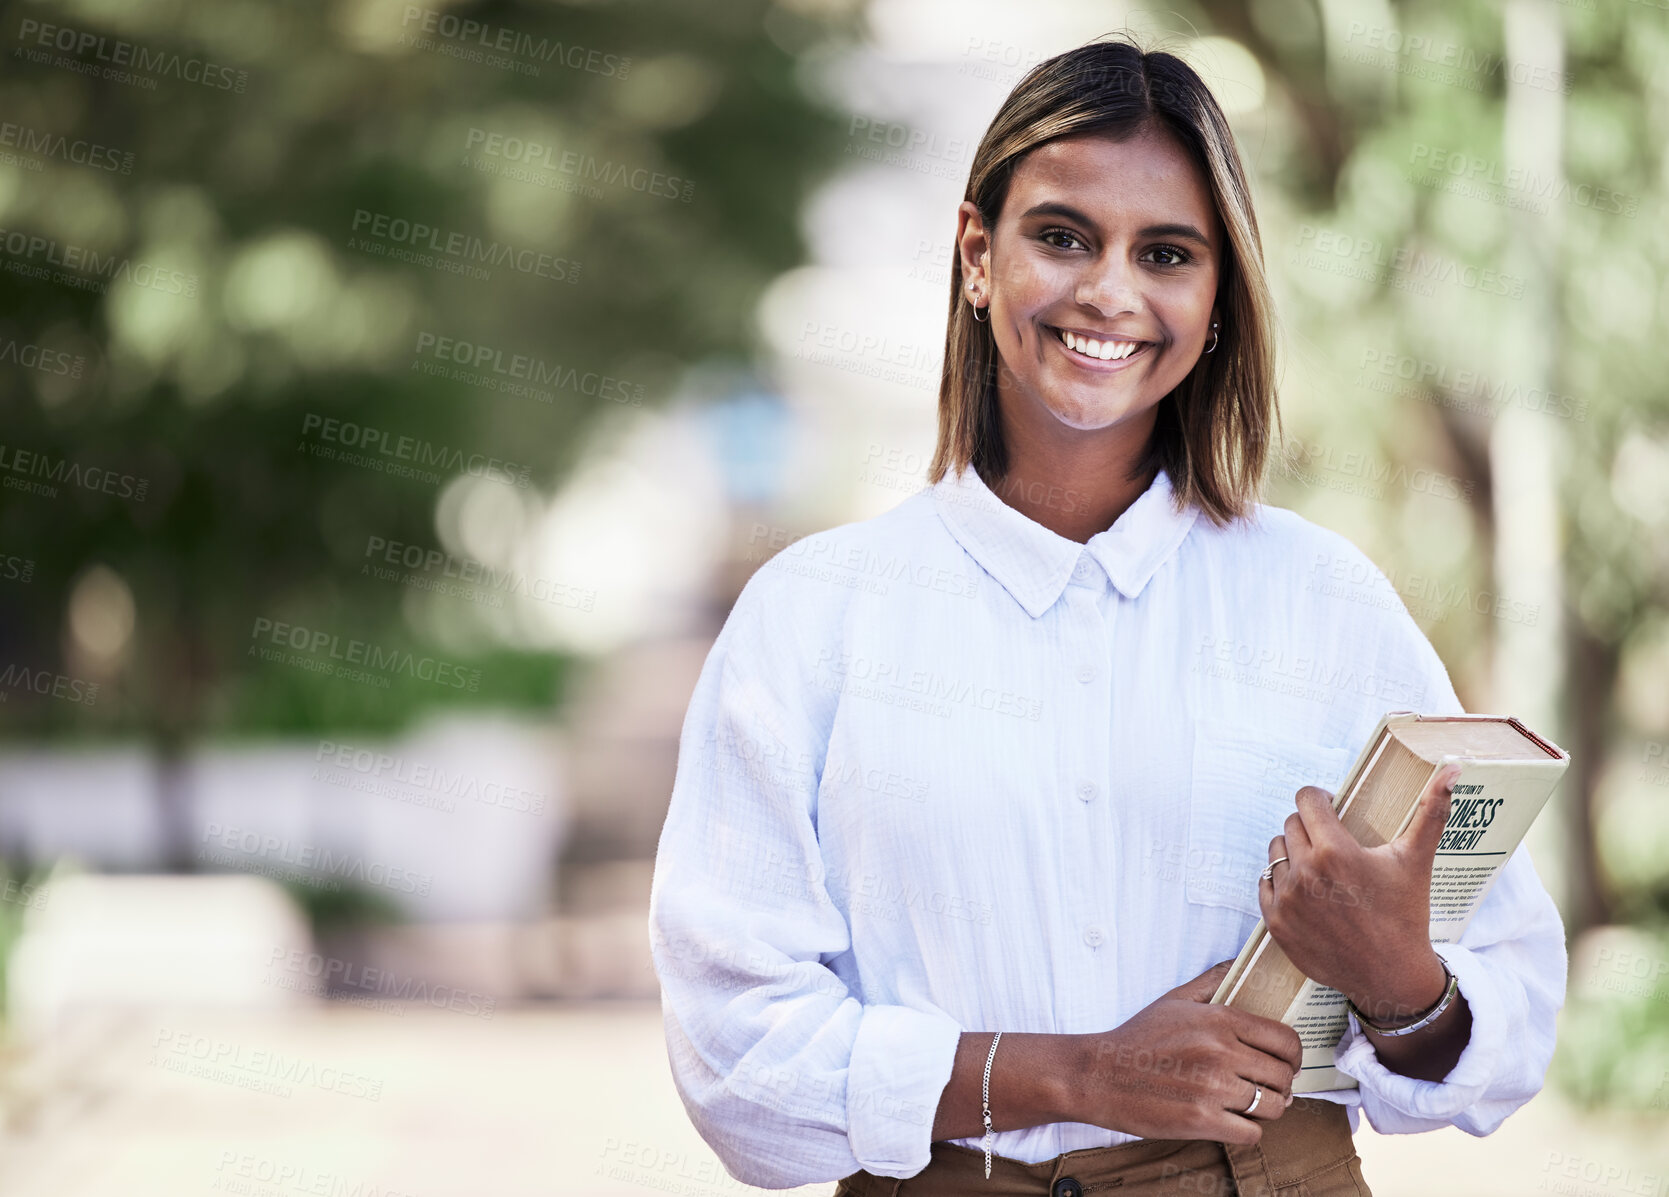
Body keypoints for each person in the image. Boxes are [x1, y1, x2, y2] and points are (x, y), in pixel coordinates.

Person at [647, 35, 1566, 1197]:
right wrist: (1075, 1075)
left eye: (1167, 252)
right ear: (978, 256)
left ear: (1217, 294)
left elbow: (1507, 1024)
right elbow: (739, 1068)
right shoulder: (812, 620)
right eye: (1062, 236)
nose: (1110, 292)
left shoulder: (1325, 605)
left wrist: (1402, 986)